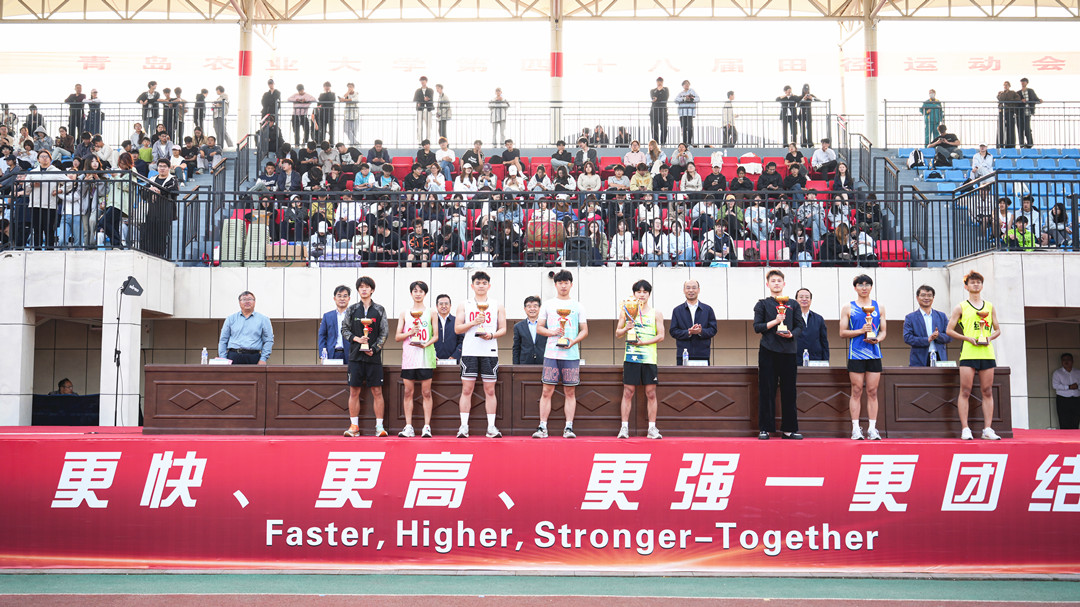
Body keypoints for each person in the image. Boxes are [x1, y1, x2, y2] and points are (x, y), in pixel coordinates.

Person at [945, 271, 1002, 440]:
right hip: (968, 353)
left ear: (982, 286)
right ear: (966, 286)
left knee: (987, 391)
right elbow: (949, 330)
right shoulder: (961, 307)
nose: (976, 284)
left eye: (978, 282)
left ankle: (987, 429)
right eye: (972, 282)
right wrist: (967, 338)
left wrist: (989, 338)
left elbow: (997, 329)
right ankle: (965, 428)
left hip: (987, 353)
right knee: (965, 391)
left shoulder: (990, 306)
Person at [533, 271, 589, 438]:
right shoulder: (547, 305)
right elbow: (539, 328)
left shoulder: (578, 306)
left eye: (566, 283)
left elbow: (584, 330)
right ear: (555, 284)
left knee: (570, 392)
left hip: (571, 355)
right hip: (551, 354)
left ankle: (569, 427)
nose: (563, 286)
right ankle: (542, 427)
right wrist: (552, 332)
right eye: (560, 283)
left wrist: (573, 341)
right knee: (546, 391)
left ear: (571, 284)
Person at [455, 271, 507, 438]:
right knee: (467, 389)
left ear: (489, 286)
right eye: (478, 283)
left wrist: (491, 335)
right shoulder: (464, 304)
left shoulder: (497, 305)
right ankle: (464, 426)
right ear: (472, 286)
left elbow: (503, 329)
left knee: (490, 390)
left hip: (489, 352)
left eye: (484, 283)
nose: (481, 286)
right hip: (470, 351)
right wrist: (473, 322)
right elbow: (457, 328)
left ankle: (491, 427)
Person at [754, 269, 804, 439]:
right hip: (768, 351)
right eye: (773, 281)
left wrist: (791, 334)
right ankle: (765, 428)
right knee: (766, 390)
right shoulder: (762, 304)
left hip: (789, 352)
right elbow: (757, 327)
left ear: (784, 284)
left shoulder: (793, 304)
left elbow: (799, 326)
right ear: (767, 284)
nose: (776, 283)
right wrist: (775, 321)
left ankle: (789, 429)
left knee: (789, 391)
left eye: (779, 281)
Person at [615, 279, 665, 439]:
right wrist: (626, 328)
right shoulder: (626, 311)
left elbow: (661, 336)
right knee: (628, 392)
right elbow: (618, 333)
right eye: (638, 292)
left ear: (649, 294)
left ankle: (652, 428)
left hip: (649, 359)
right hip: (631, 357)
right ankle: (624, 428)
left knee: (651, 393)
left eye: (645, 292)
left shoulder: (656, 313)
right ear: (634, 294)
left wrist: (643, 342)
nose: (641, 295)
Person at [839, 274, 886, 440]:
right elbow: (842, 332)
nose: (864, 287)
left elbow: (883, 331)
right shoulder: (848, 307)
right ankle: (855, 429)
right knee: (857, 390)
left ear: (871, 287)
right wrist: (861, 331)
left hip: (874, 353)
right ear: (855, 288)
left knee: (872, 391)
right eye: (860, 285)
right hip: (856, 354)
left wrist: (877, 339)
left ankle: (872, 429)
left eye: (867, 284)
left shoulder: (879, 306)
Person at [342, 276, 389, 438]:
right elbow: (344, 330)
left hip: (373, 358)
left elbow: (384, 332)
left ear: (372, 290)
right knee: (354, 391)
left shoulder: (380, 309)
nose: (364, 289)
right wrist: (357, 339)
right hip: (355, 357)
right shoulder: (352, 309)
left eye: (367, 287)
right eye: (361, 287)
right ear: (358, 290)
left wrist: (374, 349)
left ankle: (379, 427)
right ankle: (354, 426)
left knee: (377, 391)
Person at [396, 280, 438, 438]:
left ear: (425, 294)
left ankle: (427, 427)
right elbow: (397, 336)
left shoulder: (431, 312)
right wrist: (410, 332)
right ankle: (408, 426)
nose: (418, 294)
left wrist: (426, 344)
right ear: (411, 293)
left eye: (421, 291)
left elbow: (436, 336)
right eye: (415, 291)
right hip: (409, 358)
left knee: (426, 392)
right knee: (408, 392)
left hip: (425, 358)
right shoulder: (404, 313)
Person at [218, 291, 274, 365]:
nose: (247, 302)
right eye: (244, 299)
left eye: (250, 299)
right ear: (239, 302)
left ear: (254, 302)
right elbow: (223, 340)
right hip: (233, 356)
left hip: (253, 357)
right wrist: (223, 358)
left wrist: (263, 359)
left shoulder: (264, 319)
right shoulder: (230, 319)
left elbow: (268, 340)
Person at [903, 284, 953, 367]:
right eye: (923, 295)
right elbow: (907, 338)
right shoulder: (910, 318)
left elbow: (950, 336)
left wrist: (938, 336)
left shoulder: (942, 316)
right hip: (919, 359)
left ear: (933, 298)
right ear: (917, 298)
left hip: (940, 358)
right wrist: (927, 339)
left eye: (929, 295)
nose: (926, 298)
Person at [669, 280, 717, 365]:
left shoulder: (707, 309)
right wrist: (688, 332)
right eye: (688, 288)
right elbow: (673, 331)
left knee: (703, 374)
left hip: (703, 355)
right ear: (684, 290)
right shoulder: (677, 310)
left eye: (694, 288)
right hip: (683, 355)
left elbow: (713, 330)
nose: (691, 290)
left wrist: (701, 331)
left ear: (699, 290)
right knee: (682, 374)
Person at [317, 285, 351, 360]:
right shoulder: (327, 316)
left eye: (345, 296)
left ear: (349, 299)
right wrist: (322, 355)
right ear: (334, 298)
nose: (342, 299)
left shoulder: (353, 315)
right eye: (339, 296)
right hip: (332, 354)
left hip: (350, 354)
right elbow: (322, 336)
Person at [795, 288, 829, 362]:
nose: (804, 299)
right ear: (796, 300)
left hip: (816, 360)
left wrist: (826, 361)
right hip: (795, 360)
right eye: (801, 297)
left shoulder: (819, 319)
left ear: (810, 300)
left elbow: (824, 342)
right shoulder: (791, 318)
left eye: (807, 297)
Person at [512, 296, 546, 365]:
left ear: (540, 308)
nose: (532, 309)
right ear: (525, 309)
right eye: (529, 306)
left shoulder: (546, 325)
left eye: (535, 306)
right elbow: (516, 348)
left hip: (544, 362)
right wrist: (516, 366)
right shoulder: (518, 326)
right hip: (525, 363)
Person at [432, 294, 463, 363]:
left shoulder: (457, 321)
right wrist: (432, 355)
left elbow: (462, 341)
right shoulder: (431, 321)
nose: (444, 306)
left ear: (450, 306)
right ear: (437, 306)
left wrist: (455, 356)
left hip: (453, 361)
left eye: (446, 304)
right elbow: (427, 340)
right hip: (433, 361)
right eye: (441, 304)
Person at [1052, 353, 1080, 430]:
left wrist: (1077, 386)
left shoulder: (1078, 372)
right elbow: (1055, 385)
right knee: (1063, 421)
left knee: (1075, 421)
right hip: (1063, 400)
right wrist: (1069, 387)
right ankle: (1064, 438)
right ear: (1061, 361)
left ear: (1072, 361)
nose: (1066, 361)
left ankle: (1075, 437)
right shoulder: (1057, 373)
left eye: (1068, 359)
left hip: (1076, 399)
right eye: (1064, 360)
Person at [996, 81, 1022, 149]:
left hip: (1010, 111)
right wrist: (1001, 94)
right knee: (1001, 127)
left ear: (1009, 86)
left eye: (1007, 85)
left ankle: (1010, 144)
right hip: (1002, 112)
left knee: (1010, 128)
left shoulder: (1013, 93)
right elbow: (999, 99)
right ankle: (1000, 144)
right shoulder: (1001, 93)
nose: (1005, 86)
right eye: (1004, 85)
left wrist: (1010, 102)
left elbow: (1018, 99)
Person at [1017, 78, 1042, 148]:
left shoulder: (1030, 91)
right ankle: (1022, 144)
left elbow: (1035, 98)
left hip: (1028, 112)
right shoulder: (1018, 92)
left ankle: (1030, 143)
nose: (1023, 83)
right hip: (1020, 113)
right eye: (1022, 82)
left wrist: (1039, 100)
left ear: (1027, 83)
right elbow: (1016, 100)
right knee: (1020, 129)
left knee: (1027, 128)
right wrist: (1021, 100)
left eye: (1024, 82)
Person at [674, 80, 699, 146]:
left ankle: (690, 142)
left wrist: (691, 99)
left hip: (690, 113)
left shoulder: (692, 91)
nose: (687, 85)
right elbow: (675, 100)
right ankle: (684, 143)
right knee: (683, 128)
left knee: (690, 128)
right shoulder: (681, 93)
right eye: (685, 84)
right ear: (683, 86)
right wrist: (684, 99)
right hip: (682, 113)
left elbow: (698, 99)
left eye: (688, 84)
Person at [413, 76, 434, 144]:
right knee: (419, 125)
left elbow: (430, 98)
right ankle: (419, 140)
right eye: (421, 81)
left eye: (423, 80)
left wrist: (425, 100)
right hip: (420, 110)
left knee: (428, 125)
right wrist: (422, 100)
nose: (422, 82)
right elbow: (415, 99)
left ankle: (428, 140)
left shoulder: (430, 90)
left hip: (428, 109)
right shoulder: (418, 91)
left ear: (426, 81)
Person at [650, 77, 669, 145]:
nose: (659, 82)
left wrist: (657, 98)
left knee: (664, 128)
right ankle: (656, 143)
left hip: (663, 112)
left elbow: (665, 98)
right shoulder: (653, 90)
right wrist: (658, 93)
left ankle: (663, 143)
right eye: (658, 81)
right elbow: (653, 98)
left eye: (661, 81)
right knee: (654, 128)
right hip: (654, 112)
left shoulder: (666, 89)